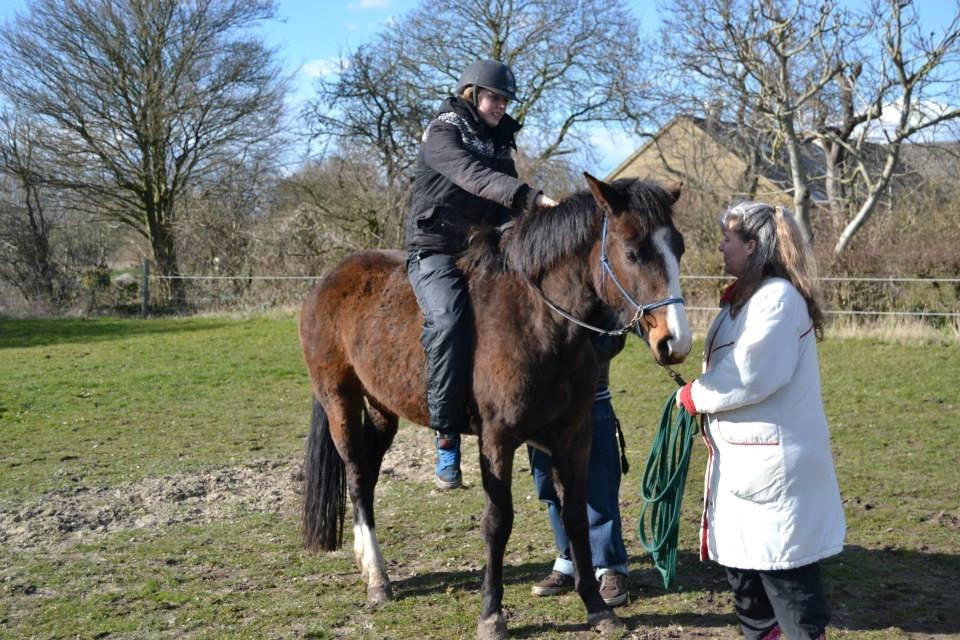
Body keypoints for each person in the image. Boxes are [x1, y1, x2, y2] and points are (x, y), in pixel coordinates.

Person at [675, 202, 845, 640]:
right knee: (748, 588)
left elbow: (752, 374)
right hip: (744, 469)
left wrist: (695, 394)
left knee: (787, 583)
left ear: (751, 246)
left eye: (727, 239)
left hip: (774, 470)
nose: (720, 246)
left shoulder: (778, 300)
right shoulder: (743, 303)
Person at [405, 59, 558, 490]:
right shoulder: (442, 131)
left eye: (506, 99)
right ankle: (447, 438)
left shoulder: (498, 140)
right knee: (450, 320)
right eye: (495, 97)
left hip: (482, 249)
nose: (501, 105)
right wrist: (531, 196)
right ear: (472, 92)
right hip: (435, 249)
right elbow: (474, 178)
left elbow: (506, 206)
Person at [529, 329, 630, 607]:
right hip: (539, 409)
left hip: (590, 401)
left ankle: (610, 566)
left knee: (597, 489)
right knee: (548, 488)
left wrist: (566, 363)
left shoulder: (598, 289)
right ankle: (568, 561)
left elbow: (615, 333)